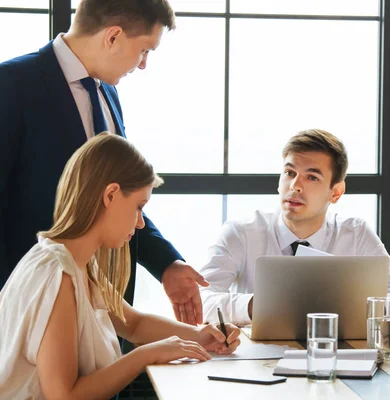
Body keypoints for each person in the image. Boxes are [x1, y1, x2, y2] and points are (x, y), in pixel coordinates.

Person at [0, 0, 207, 325]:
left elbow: (116, 197)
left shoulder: (108, 95)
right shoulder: (10, 85)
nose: (143, 65)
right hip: (31, 311)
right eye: (144, 50)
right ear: (113, 37)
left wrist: (167, 264)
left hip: (109, 309)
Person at [0, 133, 241, 399]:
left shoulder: (79, 263)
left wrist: (200, 335)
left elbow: (134, 324)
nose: (140, 223)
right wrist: (148, 354)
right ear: (111, 194)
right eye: (139, 207)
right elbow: (64, 396)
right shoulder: (58, 274)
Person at [199, 129, 390, 325]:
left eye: (312, 177)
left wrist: (350, 305)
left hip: (336, 355)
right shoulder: (241, 232)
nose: (295, 186)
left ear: (336, 192)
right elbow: (201, 299)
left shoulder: (356, 234)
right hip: (256, 361)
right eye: (289, 173)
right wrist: (254, 305)